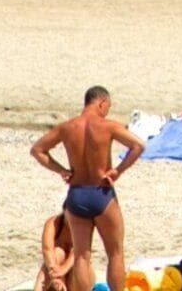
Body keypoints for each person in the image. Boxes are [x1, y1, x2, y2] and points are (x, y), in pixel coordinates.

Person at [31, 85, 144, 291]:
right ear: (102, 103)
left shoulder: (67, 127)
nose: (107, 111)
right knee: (115, 253)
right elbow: (138, 146)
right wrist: (118, 170)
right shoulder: (107, 126)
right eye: (107, 107)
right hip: (101, 192)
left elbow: (37, 150)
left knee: (82, 255)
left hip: (77, 194)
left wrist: (62, 170)